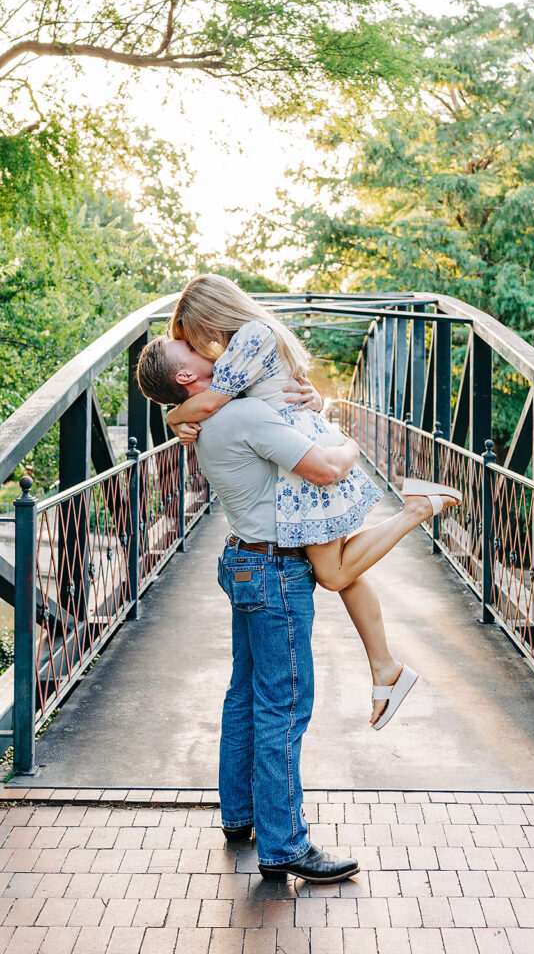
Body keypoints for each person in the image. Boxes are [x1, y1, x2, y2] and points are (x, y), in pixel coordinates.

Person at [159, 275, 460, 729]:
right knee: (342, 568)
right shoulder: (260, 336)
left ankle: (416, 510)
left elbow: (210, 404)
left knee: (335, 573)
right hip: (298, 456)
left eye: (195, 338)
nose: (201, 351)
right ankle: (385, 668)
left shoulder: (250, 337)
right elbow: (276, 394)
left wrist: (173, 413)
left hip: (303, 469)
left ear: (209, 318)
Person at [136, 333, 365, 881]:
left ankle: (240, 816)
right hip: (276, 570)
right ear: (186, 378)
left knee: (245, 695)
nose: (204, 346)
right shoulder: (243, 417)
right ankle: (285, 846)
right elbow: (328, 470)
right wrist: (351, 442)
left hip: (242, 557)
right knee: (283, 706)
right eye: (188, 348)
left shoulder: (215, 418)